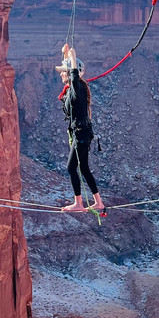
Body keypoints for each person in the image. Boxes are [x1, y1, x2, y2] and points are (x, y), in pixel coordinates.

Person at [57, 44, 105, 213]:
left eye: (64, 71)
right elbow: (71, 75)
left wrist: (72, 57)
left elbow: (74, 74)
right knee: (83, 168)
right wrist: (64, 54)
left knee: (71, 168)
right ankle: (98, 202)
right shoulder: (72, 89)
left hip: (81, 134)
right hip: (82, 134)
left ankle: (78, 203)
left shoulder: (77, 87)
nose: (61, 73)